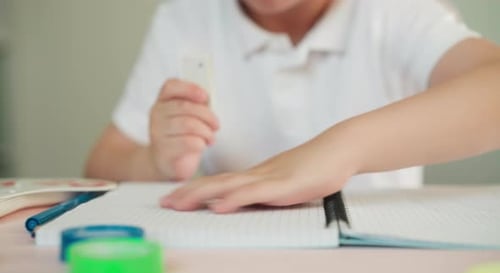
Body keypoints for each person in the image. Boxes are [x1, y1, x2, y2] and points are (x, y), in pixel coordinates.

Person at [85, 0, 500, 213]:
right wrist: (156, 162)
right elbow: (102, 166)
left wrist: (339, 150)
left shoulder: (394, 10)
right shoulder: (186, 16)